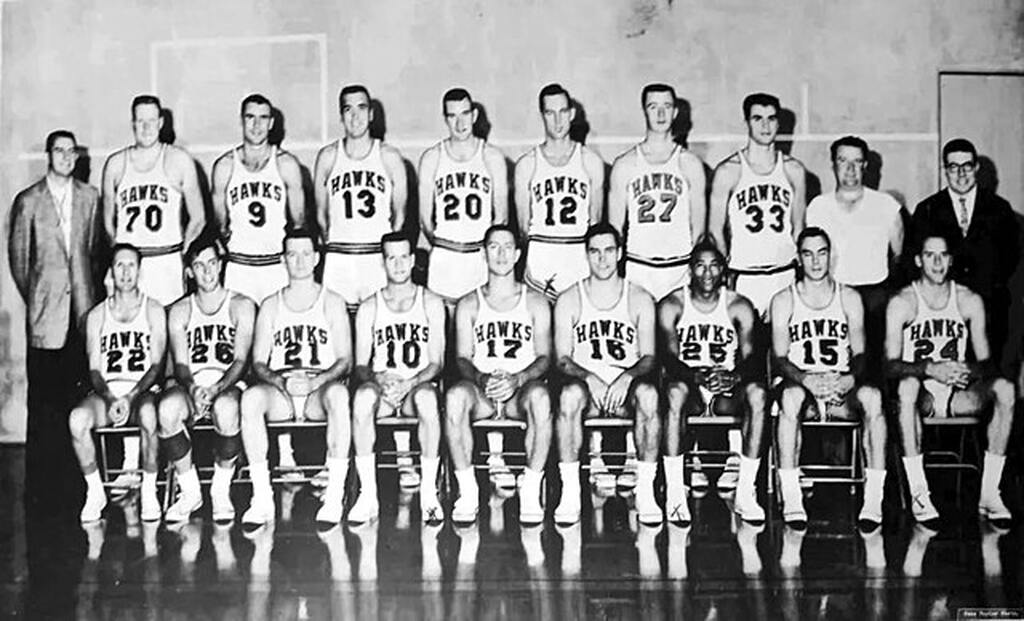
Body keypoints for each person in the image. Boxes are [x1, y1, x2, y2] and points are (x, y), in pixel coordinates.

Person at [886, 230, 1015, 526]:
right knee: (906, 387)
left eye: (943, 255)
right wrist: (928, 369)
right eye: (930, 255)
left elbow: (986, 364)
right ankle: (919, 492)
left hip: (958, 391)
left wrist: (967, 369)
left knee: (1006, 389)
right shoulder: (903, 302)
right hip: (921, 393)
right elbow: (889, 366)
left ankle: (989, 493)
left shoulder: (968, 299)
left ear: (951, 260)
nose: (937, 262)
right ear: (919, 260)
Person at [8, 129, 102, 512]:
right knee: (44, 406)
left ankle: (75, 485)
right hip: (46, 320)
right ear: (48, 155)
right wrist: (42, 299)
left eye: (71, 152)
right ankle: (42, 491)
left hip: (81, 316)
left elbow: (95, 253)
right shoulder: (28, 201)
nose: (66, 157)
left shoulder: (90, 197)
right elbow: (19, 262)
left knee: (76, 402)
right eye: (59, 151)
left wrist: (84, 299)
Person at [769, 227, 887, 530]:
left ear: (830, 256)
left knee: (873, 398)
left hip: (840, 386)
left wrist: (849, 379)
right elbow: (780, 358)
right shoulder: (784, 299)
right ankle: (792, 496)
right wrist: (806, 380)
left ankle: (873, 499)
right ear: (798, 259)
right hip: (803, 386)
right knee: (789, 398)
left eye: (821, 252)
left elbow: (861, 353)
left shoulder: (849, 297)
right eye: (808, 254)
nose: (816, 261)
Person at [238, 229, 353, 527]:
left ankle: (334, 495)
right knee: (250, 398)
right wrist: (280, 382)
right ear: (283, 260)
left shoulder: (332, 301)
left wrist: (317, 382)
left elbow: (345, 360)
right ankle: (262, 498)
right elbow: (259, 363)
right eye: (292, 255)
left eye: (305, 254)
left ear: (316, 258)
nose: (299, 261)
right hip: (282, 390)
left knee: (340, 396)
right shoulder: (271, 304)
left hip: (319, 389)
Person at [445, 225, 553, 523]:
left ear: (518, 254)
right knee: (454, 397)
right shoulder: (469, 303)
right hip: (482, 390)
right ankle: (467, 492)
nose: (502, 254)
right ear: (484, 253)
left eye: (508, 247)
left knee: (542, 398)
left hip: (521, 390)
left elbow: (545, 358)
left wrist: (518, 380)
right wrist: (481, 379)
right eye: (494, 247)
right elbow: (462, 358)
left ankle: (531, 488)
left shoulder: (535, 301)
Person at [553, 223, 659, 525]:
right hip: (589, 391)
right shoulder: (570, 298)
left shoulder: (639, 297)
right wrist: (589, 378)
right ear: (586, 255)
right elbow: (562, 359)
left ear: (621, 253)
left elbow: (650, 356)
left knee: (650, 395)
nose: (602, 259)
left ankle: (646, 490)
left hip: (625, 389)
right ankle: (571, 492)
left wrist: (627, 377)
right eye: (595, 252)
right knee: (569, 396)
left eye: (609, 251)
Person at [657, 240, 767, 524]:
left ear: (724, 270)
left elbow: (752, 357)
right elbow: (668, 358)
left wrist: (734, 376)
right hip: (690, 385)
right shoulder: (673, 303)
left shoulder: (739, 305)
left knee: (758, 394)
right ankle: (675, 495)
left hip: (726, 389)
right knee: (673, 393)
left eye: (714, 265)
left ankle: (746, 491)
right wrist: (696, 377)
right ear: (690, 270)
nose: (707, 273)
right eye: (700, 266)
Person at [349, 232, 446, 524]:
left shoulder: (430, 301)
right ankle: (368, 496)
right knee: (362, 398)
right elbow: (360, 366)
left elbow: (436, 363)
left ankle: (429, 494)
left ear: (413, 260)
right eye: (392, 257)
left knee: (429, 399)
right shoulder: (369, 306)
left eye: (404, 256)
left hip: (417, 388)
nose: (399, 264)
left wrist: (410, 383)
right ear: (384, 263)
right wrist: (378, 379)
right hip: (385, 391)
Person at [157, 232, 255, 522]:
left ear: (221, 264)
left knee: (227, 410)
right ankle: (190, 491)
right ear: (189, 271)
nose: (208, 271)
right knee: (167, 410)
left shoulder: (241, 305)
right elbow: (181, 363)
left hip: (228, 383)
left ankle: (220, 489)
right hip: (192, 384)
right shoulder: (179, 310)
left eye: (212, 263)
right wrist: (193, 388)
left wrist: (217, 389)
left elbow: (240, 360)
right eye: (200, 266)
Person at [68, 243, 167, 522]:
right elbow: (95, 370)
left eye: (131, 266)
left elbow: (157, 366)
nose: (125, 272)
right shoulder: (97, 315)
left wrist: (132, 396)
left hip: (141, 392)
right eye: (119, 266)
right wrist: (112, 399)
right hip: (108, 393)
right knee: (77, 420)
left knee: (149, 416)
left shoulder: (154, 309)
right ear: (111, 272)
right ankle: (95, 491)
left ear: (140, 271)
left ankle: (148, 491)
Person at [910, 138, 1019, 368]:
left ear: (976, 167)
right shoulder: (927, 210)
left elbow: (1012, 260)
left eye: (967, 166)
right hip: (943, 313)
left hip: (991, 312)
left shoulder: (1000, 209)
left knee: (989, 382)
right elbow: (915, 261)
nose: (960, 174)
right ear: (944, 170)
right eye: (953, 167)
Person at [807, 135, 903, 378]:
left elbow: (899, 255)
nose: (850, 169)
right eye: (843, 161)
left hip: (875, 299)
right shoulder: (818, 207)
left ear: (865, 166)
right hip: (833, 297)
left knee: (873, 373)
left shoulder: (886, 205)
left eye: (857, 161)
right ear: (833, 164)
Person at [708, 92, 807, 315]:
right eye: (757, 118)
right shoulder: (728, 171)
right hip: (745, 275)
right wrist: (725, 272)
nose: (765, 126)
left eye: (771, 118)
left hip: (784, 272)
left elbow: (799, 226)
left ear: (779, 123)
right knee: (747, 348)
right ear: (747, 122)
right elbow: (715, 230)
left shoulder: (794, 170)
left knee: (784, 347)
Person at [102, 94, 205, 306]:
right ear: (132, 124)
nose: (146, 128)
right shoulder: (116, 164)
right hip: (129, 266)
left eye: (151, 121)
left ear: (161, 123)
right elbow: (107, 222)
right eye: (140, 122)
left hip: (166, 263)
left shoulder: (179, 160)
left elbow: (199, 218)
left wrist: (181, 252)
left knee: (167, 331)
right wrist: (121, 257)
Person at [608, 83, 706, 301]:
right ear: (644, 110)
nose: (661, 114)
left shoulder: (690, 164)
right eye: (653, 107)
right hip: (638, 268)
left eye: (667, 106)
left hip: (679, 268)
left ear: (675, 112)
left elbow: (698, 230)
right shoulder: (625, 165)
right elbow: (615, 230)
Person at [316, 84, 408, 312]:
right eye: (348, 110)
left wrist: (385, 250)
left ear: (371, 114)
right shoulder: (328, 157)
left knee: (377, 330)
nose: (355, 117)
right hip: (340, 258)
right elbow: (320, 214)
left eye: (361, 108)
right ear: (341, 116)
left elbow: (400, 215)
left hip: (375, 257)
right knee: (338, 333)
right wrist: (337, 244)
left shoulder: (389, 157)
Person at [212, 93, 305, 305]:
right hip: (239, 267)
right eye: (250, 117)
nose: (256, 125)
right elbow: (220, 225)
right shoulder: (225, 166)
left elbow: (298, 224)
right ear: (241, 120)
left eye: (263, 118)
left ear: (271, 123)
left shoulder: (286, 165)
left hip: (275, 266)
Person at [418, 87, 509, 304]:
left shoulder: (492, 157)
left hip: (480, 258)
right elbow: (424, 220)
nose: (460, 124)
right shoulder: (432, 158)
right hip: (445, 260)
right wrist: (446, 244)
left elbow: (501, 218)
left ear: (474, 115)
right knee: (445, 331)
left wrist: (484, 250)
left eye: (465, 114)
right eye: (452, 116)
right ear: (445, 119)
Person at [515, 83, 605, 299]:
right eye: (550, 113)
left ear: (572, 114)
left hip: (577, 263)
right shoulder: (527, 165)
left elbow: (595, 223)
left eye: (563, 112)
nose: (558, 121)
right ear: (542, 116)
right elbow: (523, 228)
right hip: (540, 263)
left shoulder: (590, 162)